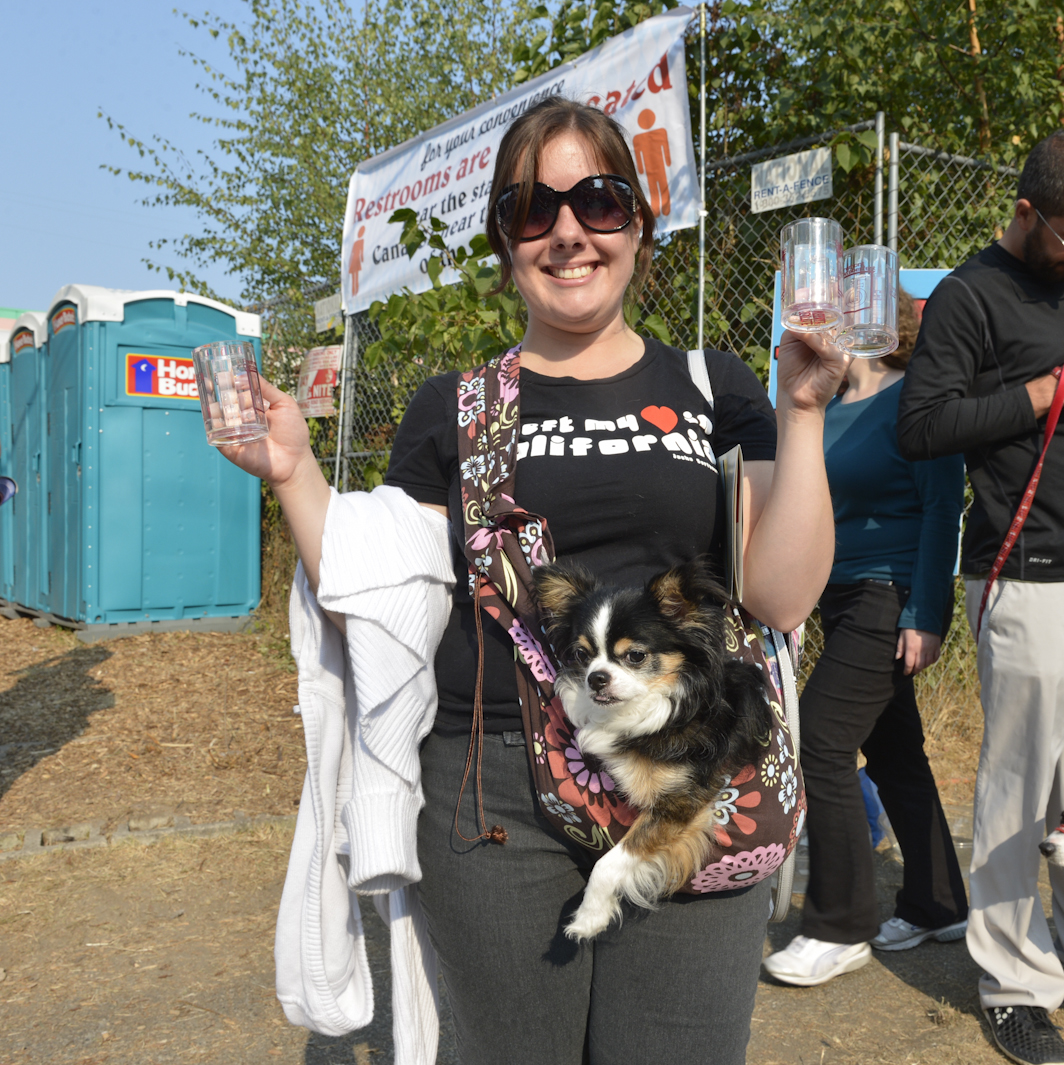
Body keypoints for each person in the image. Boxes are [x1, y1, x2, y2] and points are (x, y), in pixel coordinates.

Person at [220, 98, 847, 1064]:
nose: (567, 231)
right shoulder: (455, 406)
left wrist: (802, 413)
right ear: (506, 242)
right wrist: (295, 473)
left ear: (638, 225)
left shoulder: (714, 386)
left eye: (597, 201)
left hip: (684, 772)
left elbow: (781, 597)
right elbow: (381, 584)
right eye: (531, 210)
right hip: (493, 784)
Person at [897, 129, 1064, 1065]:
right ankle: (1013, 978)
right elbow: (923, 426)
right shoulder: (968, 298)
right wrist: (1058, 381)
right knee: (1020, 791)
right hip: (1028, 578)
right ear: (1026, 212)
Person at [763, 290, 970, 987]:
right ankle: (939, 901)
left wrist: (927, 612)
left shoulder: (916, 398)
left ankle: (838, 924)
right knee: (895, 752)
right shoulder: (816, 408)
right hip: (838, 596)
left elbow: (944, 508)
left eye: (848, 298)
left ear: (884, 319)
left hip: (890, 596)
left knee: (818, 738)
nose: (828, 306)